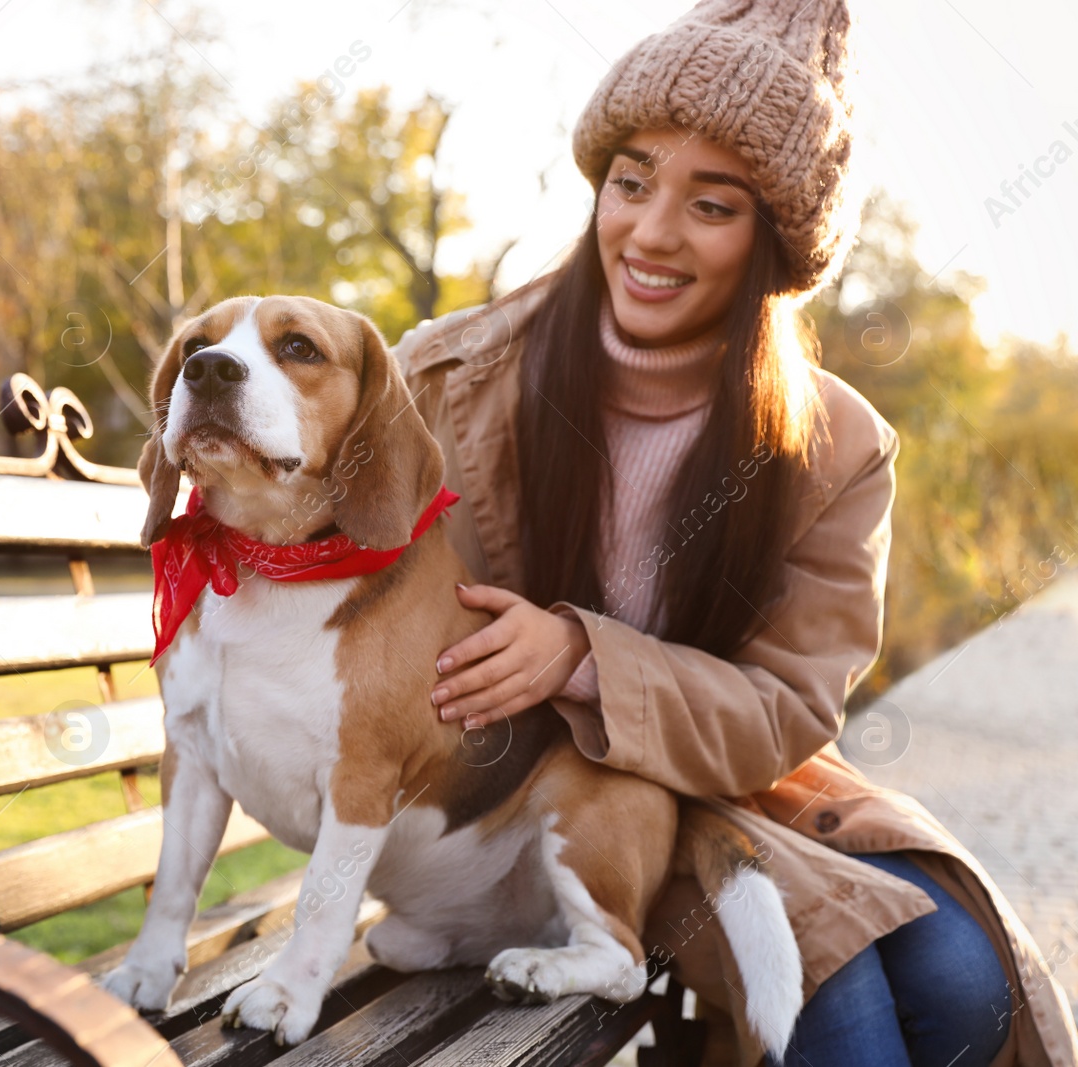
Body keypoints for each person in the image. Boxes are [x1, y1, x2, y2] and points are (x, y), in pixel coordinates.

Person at [388, 1, 1078, 1064]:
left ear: (774, 241)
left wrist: (579, 655)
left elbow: (788, 705)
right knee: (830, 993)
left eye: (710, 204)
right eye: (630, 181)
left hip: (734, 783)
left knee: (962, 977)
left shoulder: (837, 442)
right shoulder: (446, 373)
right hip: (519, 810)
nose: (651, 233)